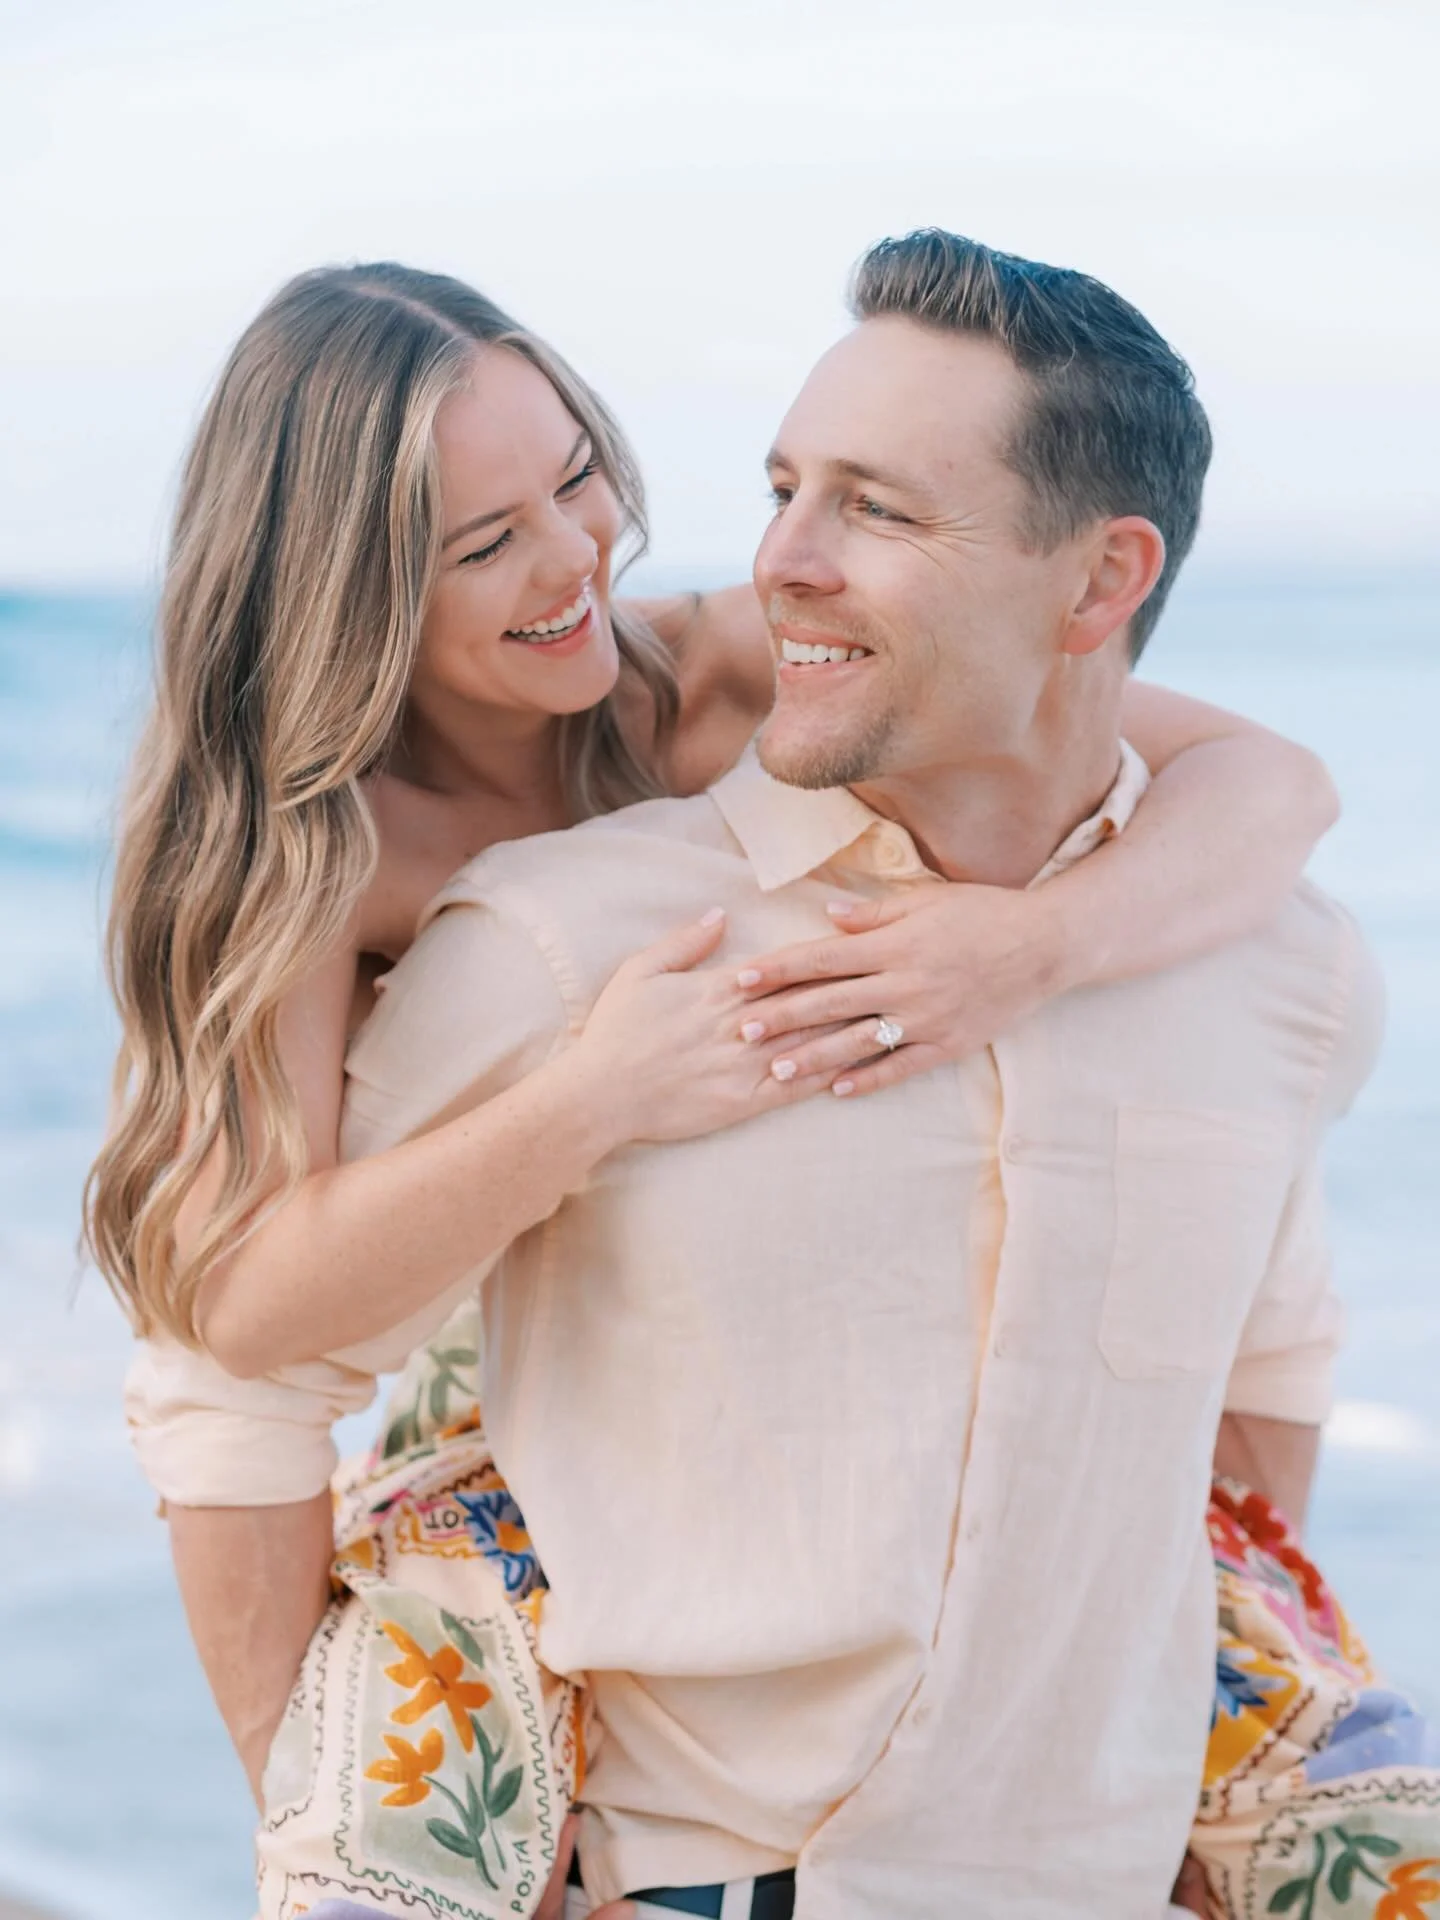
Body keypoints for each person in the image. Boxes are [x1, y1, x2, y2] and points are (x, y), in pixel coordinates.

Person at [93, 247, 1425, 1920]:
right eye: (487, 545)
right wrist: (595, 1095)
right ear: (347, 598)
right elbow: (233, 1336)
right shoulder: (313, 850)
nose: (575, 559)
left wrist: (1034, 946)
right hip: (486, 1342)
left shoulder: (719, 679)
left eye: (578, 478)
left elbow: (1270, 782)